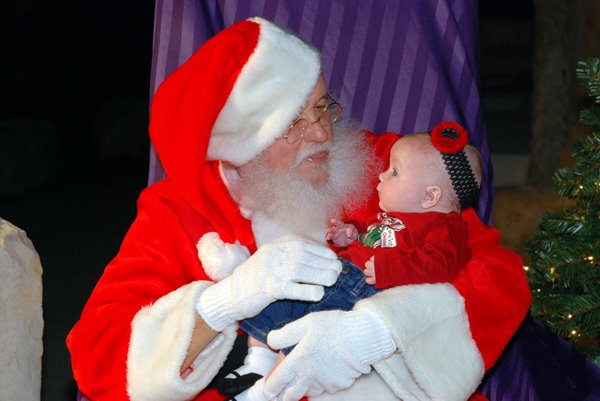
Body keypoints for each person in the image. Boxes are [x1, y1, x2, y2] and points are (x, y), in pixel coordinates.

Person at [67, 17, 531, 401]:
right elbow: (99, 357)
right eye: (294, 122)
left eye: (323, 107)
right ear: (242, 143)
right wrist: (223, 304)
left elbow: (498, 273)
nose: (323, 134)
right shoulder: (175, 212)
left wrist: (380, 333)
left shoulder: (385, 166)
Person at [219, 122, 483, 401]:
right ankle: (257, 364)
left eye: (394, 172)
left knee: (307, 341)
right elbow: (370, 236)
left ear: (430, 196)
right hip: (337, 274)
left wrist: (389, 269)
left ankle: (266, 392)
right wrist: (350, 234)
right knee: (275, 299)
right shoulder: (389, 217)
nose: (382, 175)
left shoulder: (445, 226)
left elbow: (440, 264)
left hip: (362, 292)